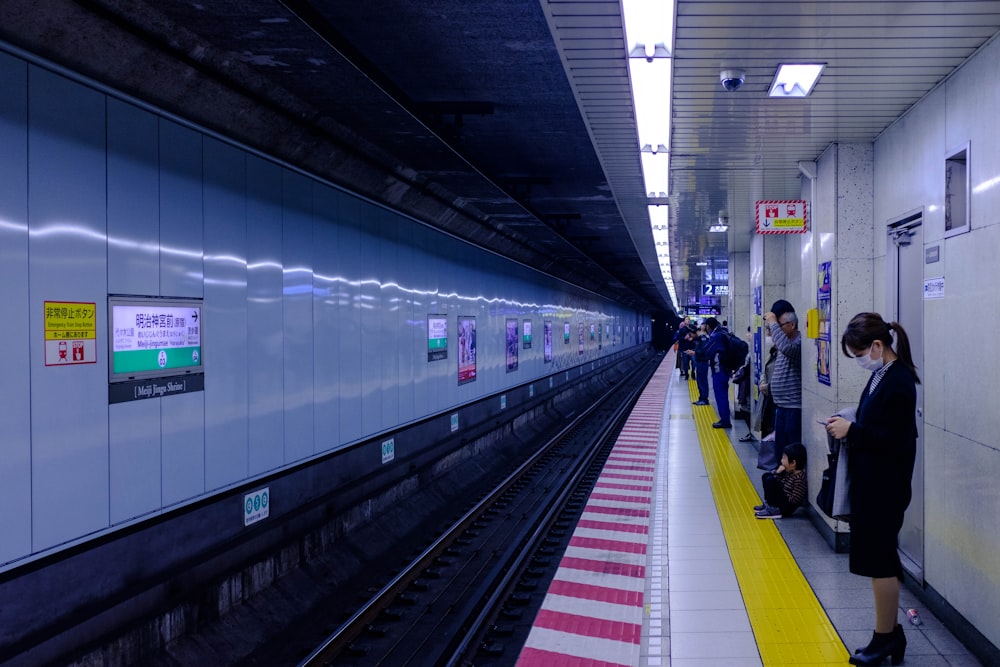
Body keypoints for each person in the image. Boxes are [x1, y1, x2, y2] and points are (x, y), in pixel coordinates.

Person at [824, 312, 919, 666]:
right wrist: (850, 421)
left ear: (878, 346)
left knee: (881, 562)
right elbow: (876, 421)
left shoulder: (899, 381)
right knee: (883, 560)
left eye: (860, 353)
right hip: (873, 482)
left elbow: (897, 440)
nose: (860, 361)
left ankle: (885, 639)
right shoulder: (883, 374)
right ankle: (890, 635)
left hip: (886, 486)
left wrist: (853, 432)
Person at [763, 300, 802, 465]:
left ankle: (791, 487)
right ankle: (782, 484)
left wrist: (772, 322)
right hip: (781, 407)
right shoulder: (783, 343)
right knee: (781, 454)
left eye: (779, 326)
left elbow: (788, 350)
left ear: (792, 325)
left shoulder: (798, 343)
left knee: (791, 454)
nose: (774, 331)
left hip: (794, 408)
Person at [753, 443, 807, 519]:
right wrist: (777, 474)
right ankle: (769, 505)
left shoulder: (799, 478)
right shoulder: (789, 472)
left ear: (793, 463)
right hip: (783, 502)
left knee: (771, 480)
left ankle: (773, 509)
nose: (782, 461)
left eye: (784, 458)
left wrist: (781, 490)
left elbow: (795, 500)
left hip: (787, 508)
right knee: (766, 476)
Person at [701, 317, 731, 428]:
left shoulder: (716, 336)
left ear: (708, 326)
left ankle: (725, 421)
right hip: (724, 368)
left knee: (720, 395)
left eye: (705, 325)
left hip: (719, 370)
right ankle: (725, 418)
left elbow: (707, 352)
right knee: (723, 395)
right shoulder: (723, 332)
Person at [686, 322, 710, 406]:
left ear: (694, 332)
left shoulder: (702, 338)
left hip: (703, 362)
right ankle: (701, 398)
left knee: (702, 381)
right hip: (700, 362)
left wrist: (694, 352)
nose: (690, 336)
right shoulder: (699, 339)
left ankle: (704, 399)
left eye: (690, 334)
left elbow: (704, 351)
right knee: (700, 380)